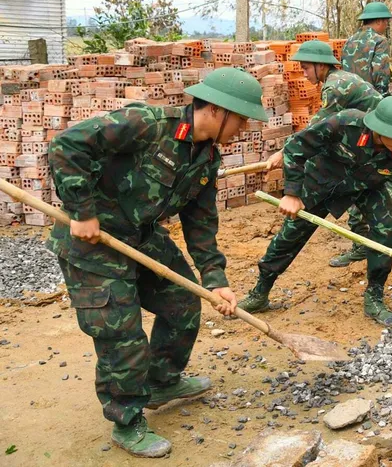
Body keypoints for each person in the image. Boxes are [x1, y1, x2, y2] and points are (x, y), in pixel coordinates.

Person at [47, 67, 268, 458]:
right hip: (93, 242)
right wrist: (82, 211)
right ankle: (127, 419)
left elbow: (200, 221)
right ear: (218, 111)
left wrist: (215, 278)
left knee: (183, 302)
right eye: (242, 118)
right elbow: (67, 146)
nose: (245, 128)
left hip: (140, 237)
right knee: (122, 334)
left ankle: (162, 381)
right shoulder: (146, 125)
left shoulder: (206, 156)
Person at [237, 97, 392, 327]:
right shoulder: (345, 123)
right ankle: (260, 291)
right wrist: (291, 193)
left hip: (366, 187)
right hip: (321, 183)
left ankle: (375, 298)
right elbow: (297, 147)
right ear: (380, 128)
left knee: (385, 229)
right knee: (290, 236)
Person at [342, 1, 392, 96]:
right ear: (378, 21)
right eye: (386, 21)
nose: (387, 25)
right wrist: (383, 96)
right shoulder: (380, 41)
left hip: (349, 97)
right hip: (370, 99)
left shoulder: (349, 41)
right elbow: (380, 73)